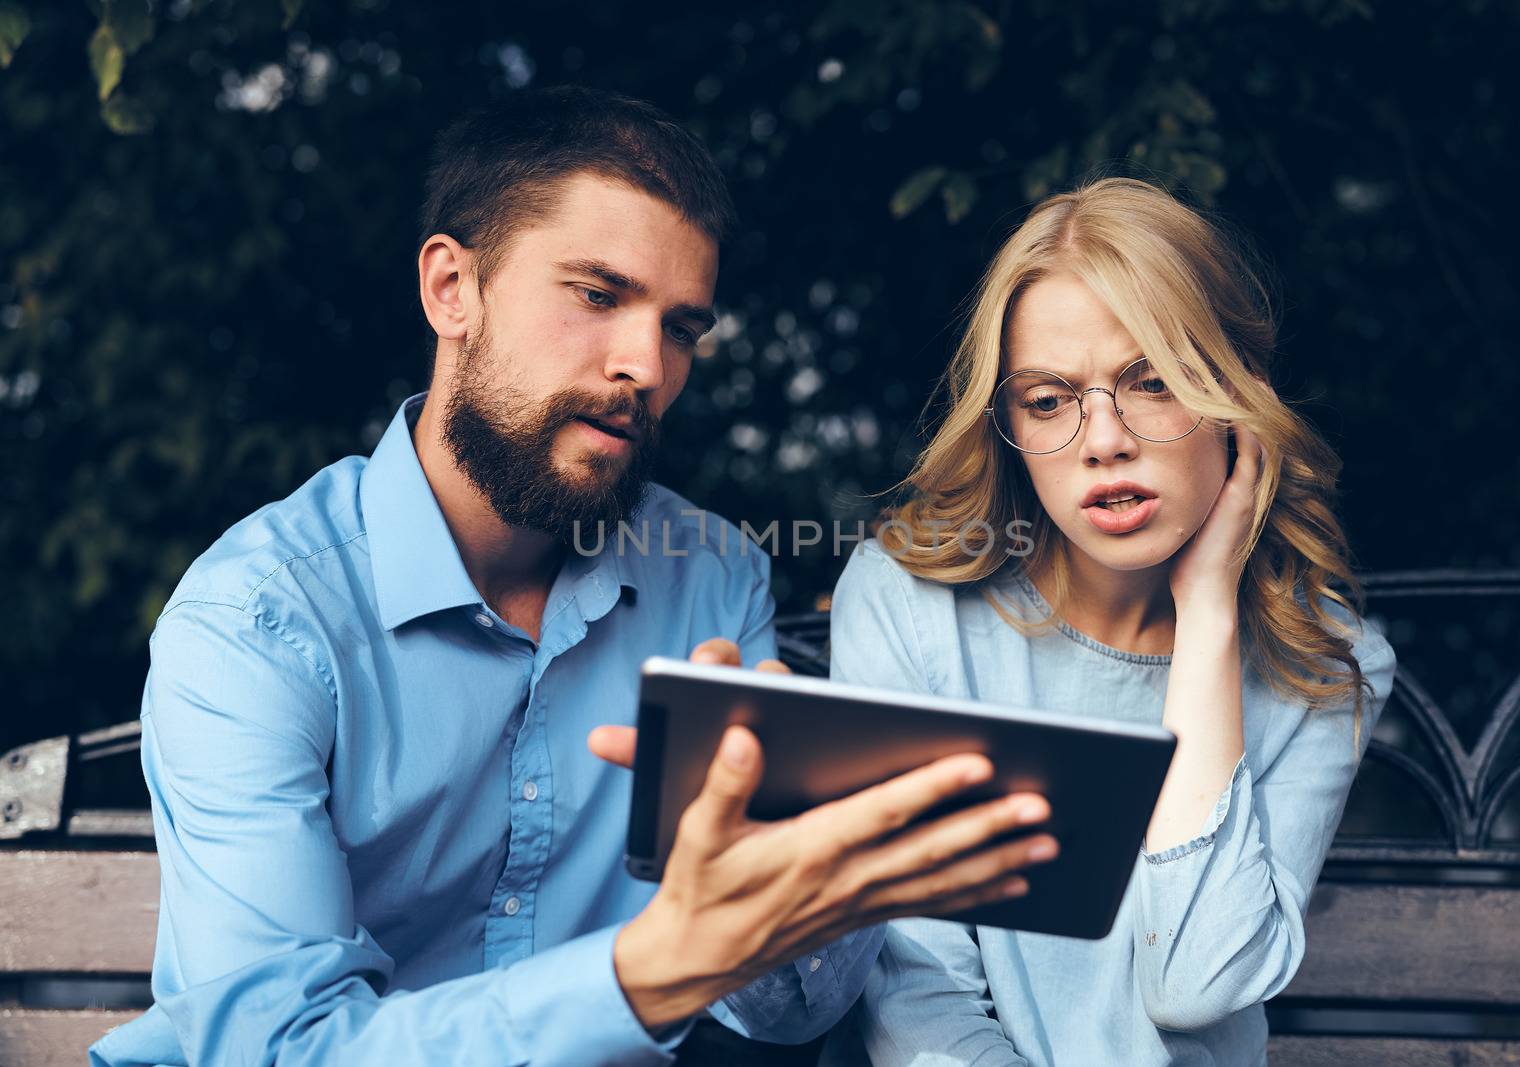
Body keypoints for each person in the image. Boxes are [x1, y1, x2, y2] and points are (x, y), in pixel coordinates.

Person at [89, 86, 1057, 1067]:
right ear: (449, 290)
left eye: (681, 327)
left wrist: (788, 859)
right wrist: (652, 970)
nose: (645, 363)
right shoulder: (257, 620)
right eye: (597, 296)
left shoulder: (713, 577)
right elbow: (280, 1050)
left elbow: (790, 1015)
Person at [822, 177, 1397, 1066]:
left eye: (1151, 381)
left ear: (1236, 395)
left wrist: (1206, 617)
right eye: (1049, 399)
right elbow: (913, 990)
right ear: (1005, 420)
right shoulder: (909, 604)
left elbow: (1200, 983)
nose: (1103, 440)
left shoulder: (1325, 665)